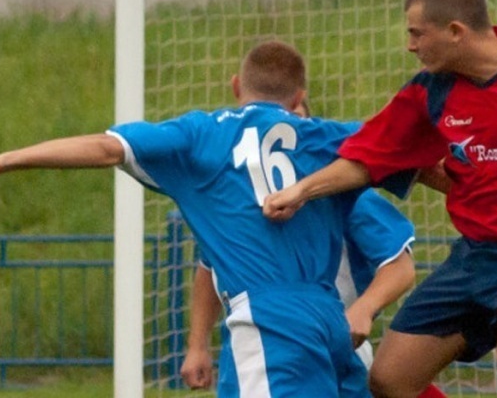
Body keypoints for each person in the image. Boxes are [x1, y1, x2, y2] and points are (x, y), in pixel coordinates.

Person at [0, 40, 410, 398]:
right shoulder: (331, 137)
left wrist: (4, 160)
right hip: (328, 317)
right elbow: (416, 149)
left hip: (269, 321)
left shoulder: (201, 135)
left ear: (235, 87)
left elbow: (105, 148)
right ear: (299, 95)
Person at [264, 0, 497, 398]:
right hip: (475, 256)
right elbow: (366, 159)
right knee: (389, 379)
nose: (410, 46)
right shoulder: (429, 92)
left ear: (455, 32)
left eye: (418, 34)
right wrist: (299, 191)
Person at [180, 100, 448, 398]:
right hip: (254, 345)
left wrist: (362, 309)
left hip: (330, 346)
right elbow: (209, 267)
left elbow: (399, 265)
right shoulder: (237, 201)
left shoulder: (339, 193)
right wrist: (197, 345)